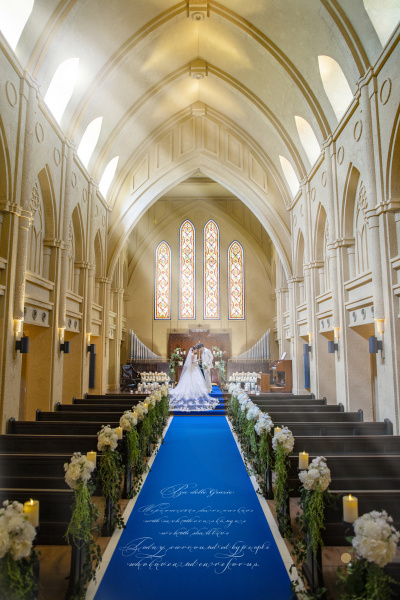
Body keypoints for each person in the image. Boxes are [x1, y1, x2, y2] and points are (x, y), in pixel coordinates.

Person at [168, 346, 219, 412]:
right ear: (193, 350)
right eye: (196, 350)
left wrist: (198, 361)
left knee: (196, 380)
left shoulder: (193, 354)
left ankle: (196, 390)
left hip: (194, 368)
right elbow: (192, 362)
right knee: (193, 380)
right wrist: (197, 361)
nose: (197, 351)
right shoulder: (192, 355)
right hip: (192, 369)